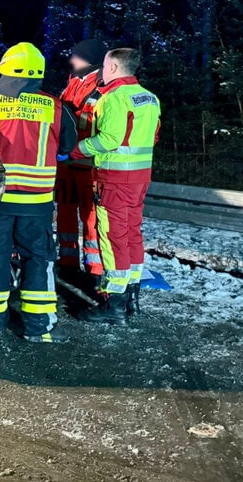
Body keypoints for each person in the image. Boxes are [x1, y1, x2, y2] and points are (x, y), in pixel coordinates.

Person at [0, 42, 77, 343]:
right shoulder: (56, 108)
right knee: (38, 260)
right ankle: (37, 327)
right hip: (37, 204)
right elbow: (67, 148)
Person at [69, 48, 160, 324]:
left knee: (113, 238)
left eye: (105, 66)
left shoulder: (114, 98)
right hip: (140, 178)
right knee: (133, 234)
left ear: (113, 68)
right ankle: (132, 297)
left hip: (114, 180)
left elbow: (108, 139)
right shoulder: (150, 97)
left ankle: (114, 305)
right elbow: (153, 137)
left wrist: (76, 149)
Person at [55, 39, 107, 291]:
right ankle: (67, 262)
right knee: (65, 214)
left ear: (89, 60)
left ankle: (94, 270)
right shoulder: (73, 82)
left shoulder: (102, 86)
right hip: (67, 163)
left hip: (88, 164)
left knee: (90, 219)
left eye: (76, 57)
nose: (71, 61)